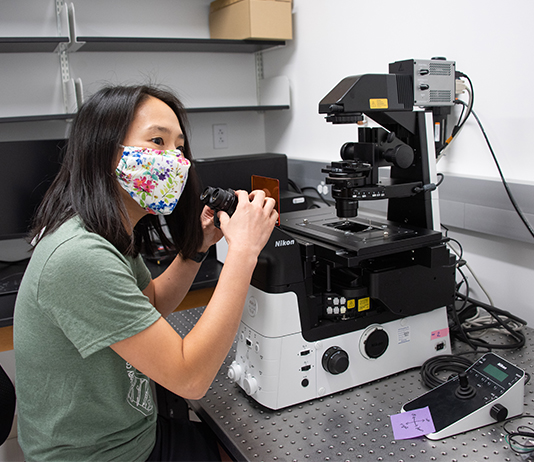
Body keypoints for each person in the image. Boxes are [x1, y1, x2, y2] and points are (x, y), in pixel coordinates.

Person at [13, 84, 278, 461]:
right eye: (157, 141)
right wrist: (243, 252)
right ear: (105, 153)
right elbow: (191, 378)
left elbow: (149, 302)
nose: (175, 160)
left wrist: (199, 247)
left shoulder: (106, 232)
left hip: (133, 435)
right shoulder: (79, 256)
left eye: (179, 147)